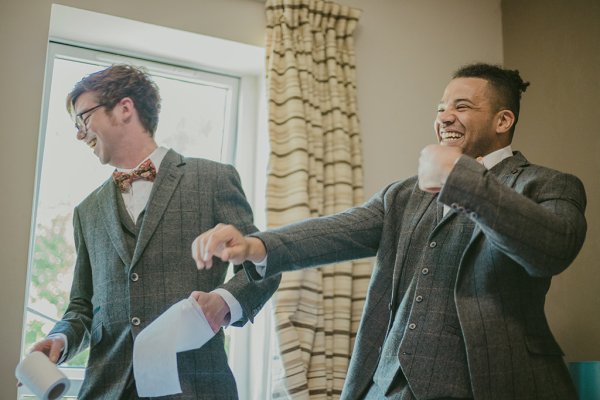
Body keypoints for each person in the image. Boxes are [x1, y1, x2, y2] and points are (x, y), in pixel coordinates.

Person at [192, 63, 587, 399]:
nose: (445, 116)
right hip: (387, 386)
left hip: (491, 384)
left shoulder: (548, 184)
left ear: (503, 120)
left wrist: (463, 179)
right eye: (441, 108)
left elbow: (551, 249)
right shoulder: (403, 194)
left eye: (461, 106)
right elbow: (335, 231)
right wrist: (257, 244)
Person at [28, 64, 280, 399]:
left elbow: (262, 264)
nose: (78, 133)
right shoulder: (86, 212)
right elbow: (83, 307)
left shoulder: (213, 179)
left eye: (83, 118)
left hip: (195, 385)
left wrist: (224, 302)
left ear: (124, 108)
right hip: (107, 389)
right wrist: (62, 338)